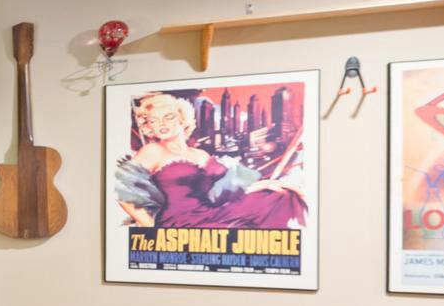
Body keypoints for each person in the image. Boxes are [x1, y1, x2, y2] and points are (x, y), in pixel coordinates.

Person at [114, 91, 307, 229]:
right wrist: (152, 230)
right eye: (153, 120)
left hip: (214, 212)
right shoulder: (152, 151)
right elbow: (123, 196)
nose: (161, 124)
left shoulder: (200, 154)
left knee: (280, 196)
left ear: (181, 119)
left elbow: (225, 191)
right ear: (148, 128)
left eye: (168, 117)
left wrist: (264, 184)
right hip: (181, 223)